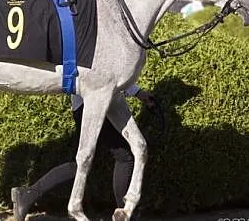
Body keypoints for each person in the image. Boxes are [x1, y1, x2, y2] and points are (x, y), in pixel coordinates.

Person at [11, 84, 158, 221]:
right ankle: (125, 213)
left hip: (86, 105)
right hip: (95, 104)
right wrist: (136, 91)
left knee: (81, 164)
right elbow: (108, 73)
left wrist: (137, 92)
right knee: (124, 156)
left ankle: (27, 195)